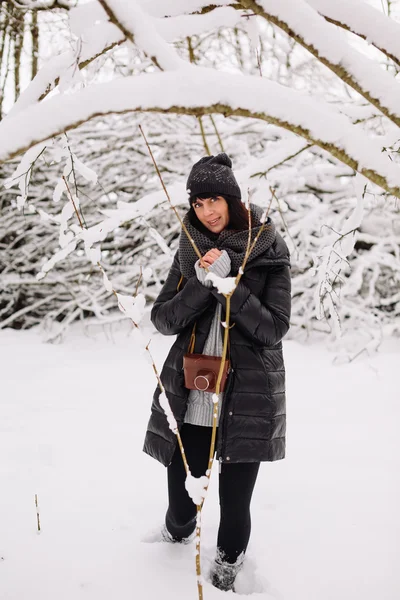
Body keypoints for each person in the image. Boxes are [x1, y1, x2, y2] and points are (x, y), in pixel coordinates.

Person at [143, 153, 291, 592]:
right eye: (198, 203)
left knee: (234, 501)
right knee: (182, 500)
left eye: (215, 201)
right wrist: (203, 287)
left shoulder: (267, 250)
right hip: (193, 392)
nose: (206, 211)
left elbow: (273, 328)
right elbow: (164, 319)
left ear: (232, 199)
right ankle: (175, 533)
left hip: (246, 396)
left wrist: (231, 286)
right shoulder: (189, 248)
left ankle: (226, 571)